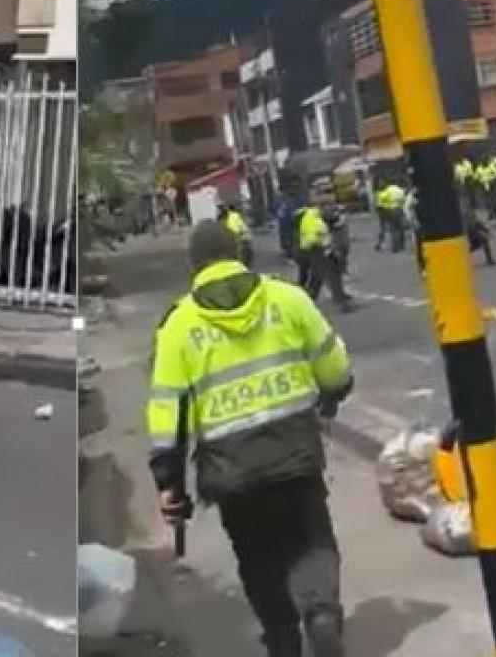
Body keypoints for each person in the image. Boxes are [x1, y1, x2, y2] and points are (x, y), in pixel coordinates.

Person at [147, 220, 354, 657]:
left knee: (257, 557)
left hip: (231, 470)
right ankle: (320, 613)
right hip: (294, 451)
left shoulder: (178, 325)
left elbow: (168, 410)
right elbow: (333, 367)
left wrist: (169, 481)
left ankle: (281, 637)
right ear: (239, 253)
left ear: (194, 265)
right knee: (312, 537)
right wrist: (333, 393)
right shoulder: (287, 298)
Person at [298, 201, 352, 313]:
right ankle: (340, 303)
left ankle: (306, 302)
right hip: (316, 250)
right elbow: (314, 238)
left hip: (312, 250)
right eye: (328, 208)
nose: (330, 211)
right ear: (320, 207)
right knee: (331, 275)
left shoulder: (313, 216)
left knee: (318, 276)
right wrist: (326, 247)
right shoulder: (313, 220)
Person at [373, 182, 406, 252]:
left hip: (390, 211)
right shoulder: (400, 190)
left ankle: (395, 247)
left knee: (393, 229)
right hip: (399, 210)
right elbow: (403, 199)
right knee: (401, 228)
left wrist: (384, 204)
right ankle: (402, 245)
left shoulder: (387, 190)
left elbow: (381, 201)